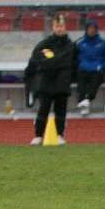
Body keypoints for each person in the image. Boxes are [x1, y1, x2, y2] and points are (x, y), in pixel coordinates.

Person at [25, 15, 76, 146]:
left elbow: (66, 60)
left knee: (61, 109)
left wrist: (50, 60)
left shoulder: (70, 45)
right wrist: (51, 61)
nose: (59, 29)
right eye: (57, 26)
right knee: (43, 109)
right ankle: (38, 136)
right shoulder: (45, 42)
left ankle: (60, 135)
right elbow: (36, 55)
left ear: (66, 27)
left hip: (62, 81)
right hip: (46, 81)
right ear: (53, 27)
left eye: (62, 26)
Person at [75, 20, 105, 116]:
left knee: (96, 79)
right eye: (90, 28)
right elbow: (73, 58)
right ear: (86, 29)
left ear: (96, 30)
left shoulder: (103, 43)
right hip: (83, 69)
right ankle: (82, 103)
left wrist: (102, 66)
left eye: (93, 28)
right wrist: (79, 64)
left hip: (97, 70)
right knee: (81, 81)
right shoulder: (80, 43)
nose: (91, 30)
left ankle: (87, 99)